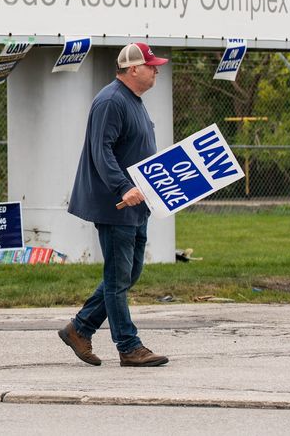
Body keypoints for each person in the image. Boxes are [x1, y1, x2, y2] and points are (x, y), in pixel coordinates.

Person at [58, 42, 170, 368]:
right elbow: (101, 151)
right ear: (134, 69)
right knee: (119, 276)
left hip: (138, 203)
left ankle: (80, 328)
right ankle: (128, 346)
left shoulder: (134, 101)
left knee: (128, 272)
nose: (157, 70)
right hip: (116, 204)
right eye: (151, 65)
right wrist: (123, 188)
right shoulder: (110, 101)